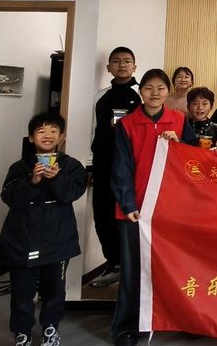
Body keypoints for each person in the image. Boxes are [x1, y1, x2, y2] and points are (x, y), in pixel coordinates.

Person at [110, 69, 197, 346]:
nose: (155, 93)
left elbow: (196, 160)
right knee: (132, 268)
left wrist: (180, 144)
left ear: (167, 92)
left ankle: (183, 318)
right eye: (149, 88)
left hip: (171, 206)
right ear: (141, 92)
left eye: (160, 88)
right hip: (135, 208)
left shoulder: (180, 120)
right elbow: (121, 167)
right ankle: (126, 326)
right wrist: (127, 203)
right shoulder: (127, 124)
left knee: (176, 265)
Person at [0, 112, 87, 346]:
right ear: (31, 137)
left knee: (55, 290)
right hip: (22, 238)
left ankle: (51, 328)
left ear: (62, 137)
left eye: (54, 131)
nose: (48, 135)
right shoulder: (19, 167)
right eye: (41, 131)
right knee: (21, 291)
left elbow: (73, 193)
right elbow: (9, 198)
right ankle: (22, 332)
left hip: (58, 239)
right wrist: (32, 182)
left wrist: (56, 178)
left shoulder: (72, 166)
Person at [89, 46, 141, 289]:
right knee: (102, 214)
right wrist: (89, 164)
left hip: (133, 165)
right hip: (103, 162)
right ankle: (113, 264)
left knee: (130, 213)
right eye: (117, 61)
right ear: (109, 67)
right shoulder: (100, 96)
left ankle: (132, 268)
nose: (122, 65)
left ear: (135, 67)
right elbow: (91, 129)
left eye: (127, 61)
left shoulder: (141, 94)